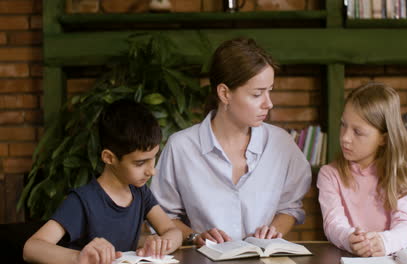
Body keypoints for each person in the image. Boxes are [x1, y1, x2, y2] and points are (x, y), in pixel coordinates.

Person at [151, 37, 312, 247]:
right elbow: (162, 216)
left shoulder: (282, 145)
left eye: (269, 91)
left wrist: (273, 232)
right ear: (225, 93)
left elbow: (290, 207)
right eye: (257, 94)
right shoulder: (180, 147)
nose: (269, 104)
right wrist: (194, 236)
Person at [23, 100, 182, 264]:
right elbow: (31, 248)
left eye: (153, 158)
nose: (151, 171)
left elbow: (172, 230)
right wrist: (78, 257)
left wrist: (163, 243)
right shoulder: (82, 201)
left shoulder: (140, 193)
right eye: (140, 163)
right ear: (109, 157)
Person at [317, 82, 407, 257]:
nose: (345, 138)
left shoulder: (400, 172)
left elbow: (406, 226)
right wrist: (350, 239)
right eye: (343, 125)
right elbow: (333, 223)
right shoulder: (330, 174)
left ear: (383, 138)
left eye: (357, 132)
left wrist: (384, 241)